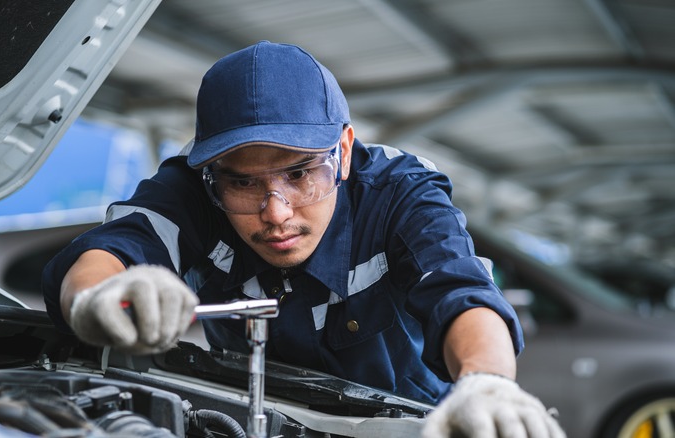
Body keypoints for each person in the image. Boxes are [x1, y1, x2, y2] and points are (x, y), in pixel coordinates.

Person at [42, 41, 564, 437]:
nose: (276, 214)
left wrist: (486, 380)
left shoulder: (399, 192)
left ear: (343, 148)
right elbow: (114, 248)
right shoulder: (195, 188)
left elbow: (461, 289)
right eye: (243, 182)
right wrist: (94, 297)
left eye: (299, 173)